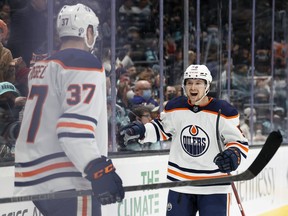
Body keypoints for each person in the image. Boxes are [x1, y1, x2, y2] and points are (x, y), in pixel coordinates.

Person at [14, 4, 124, 216]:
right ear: (88, 31)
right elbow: (73, 129)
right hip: (69, 178)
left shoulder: (41, 65)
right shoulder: (83, 62)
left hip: (37, 178)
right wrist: (98, 169)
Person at [118, 64, 249, 216]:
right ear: (184, 85)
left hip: (214, 186)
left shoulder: (223, 111)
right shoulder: (175, 107)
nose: (193, 87)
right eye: (189, 82)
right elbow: (161, 129)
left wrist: (233, 155)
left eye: (198, 83)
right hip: (180, 184)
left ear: (207, 85)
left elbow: (239, 142)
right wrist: (141, 130)